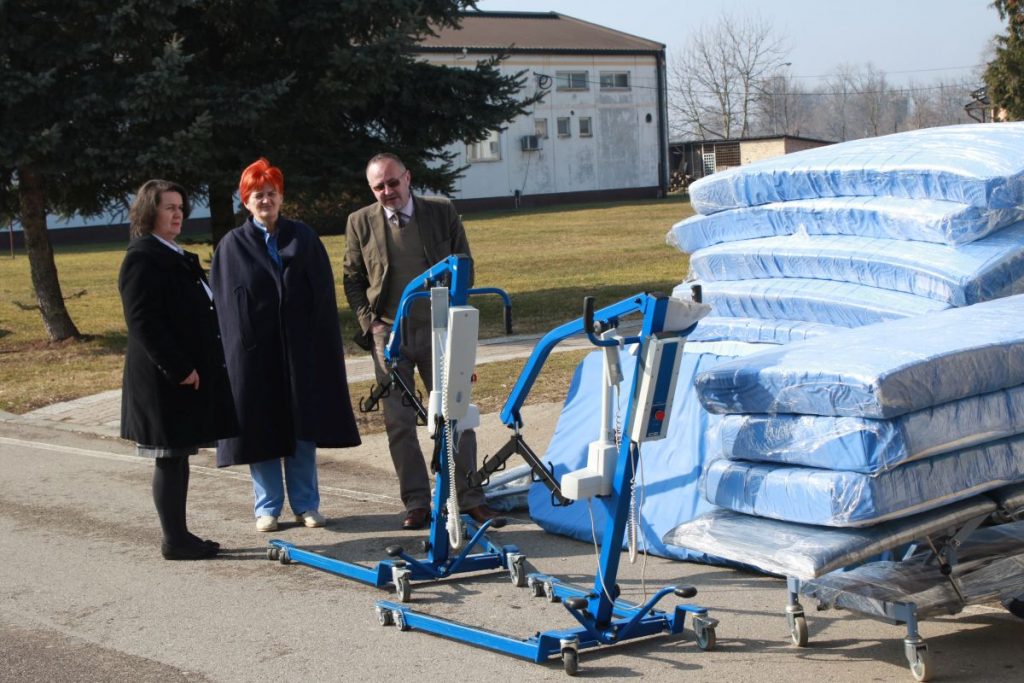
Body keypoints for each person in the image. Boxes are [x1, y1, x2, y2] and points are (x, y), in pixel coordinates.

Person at [343, 152, 499, 530]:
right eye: (378, 186)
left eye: (392, 182)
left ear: (408, 178)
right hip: (390, 333)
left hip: (440, 328)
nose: (387, 191)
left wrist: (455, 316)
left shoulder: (441, 212)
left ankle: (468, 497)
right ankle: (416, 502)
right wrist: (370, 324)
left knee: (455, 411)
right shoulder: (360, 222)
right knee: (398, 421)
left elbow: (465, 266)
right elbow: (352, 279)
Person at [211, 158, 360, 532]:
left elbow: (321, 296)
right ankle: (267, 508)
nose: (266, 200)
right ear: (246, 201)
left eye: (271, 193)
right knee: (261, 430)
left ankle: (306, 504)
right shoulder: (231, 246)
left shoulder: (303, 238)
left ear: (281, 197)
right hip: (255, 354)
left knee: (301, 428)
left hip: (300, 350)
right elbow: (226, 305)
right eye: (258, 195)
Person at [119, 179, 238, 560]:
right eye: (168, 207)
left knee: (180, 455)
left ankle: (180, 535)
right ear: (149, 211)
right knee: (169, 458)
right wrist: (180, 367)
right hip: (163, 379)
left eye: (180, 208)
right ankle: (174, 540)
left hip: (182, 376)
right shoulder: (142, 257)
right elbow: (143, 321)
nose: (177, 214)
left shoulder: (173, 254)